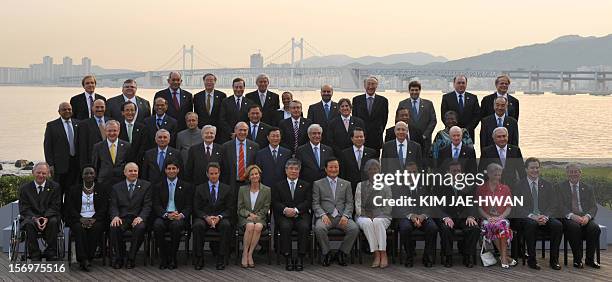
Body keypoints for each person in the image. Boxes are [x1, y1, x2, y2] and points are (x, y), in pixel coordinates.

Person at [511, 157, 562, 270]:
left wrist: (546, 216)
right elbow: (516, 205)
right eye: (532, 168)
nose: (535, 170)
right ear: (526, 169)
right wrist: (532, 216)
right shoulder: (518, 185)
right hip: (526, 217)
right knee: (531, 224)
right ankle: (532, 260)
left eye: (537, 168)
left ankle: (554, 260)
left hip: (544, 216)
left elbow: (553, 204)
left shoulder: (547, 185)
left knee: (557, 225)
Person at [432, 161, 479, 268]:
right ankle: (448, 256)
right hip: (448, 217)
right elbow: (435, 206)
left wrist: (471, 216)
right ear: (448, 172)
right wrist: (445, 217)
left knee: (474, 228)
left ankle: (468, 256)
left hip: (464, 218)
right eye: (454, 171)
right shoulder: (440, 186)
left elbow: (473, 203)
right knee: (445, 228)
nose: (456, 173)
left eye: (458, 171)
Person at [312, 158, 358, 267]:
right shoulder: (318, 184)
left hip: (342, 217)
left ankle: (342, 253)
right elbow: (315, 203)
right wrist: (322, 215)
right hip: (326, 216)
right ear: (326, 169)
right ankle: (326, 253)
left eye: (336, 167)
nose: (333, 169)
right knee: (319, 228)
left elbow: (349, 203)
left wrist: (346, 216)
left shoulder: (346, 184)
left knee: (354, 228)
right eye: (331, 167)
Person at [109, 162, 152, 269]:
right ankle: (120, 257)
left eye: (135, 171)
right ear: (125, 173)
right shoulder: (116, 187)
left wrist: (141, 217)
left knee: (140, 227)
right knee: (114, 227)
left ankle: (131, 258)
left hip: (137, 217)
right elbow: (113, 205)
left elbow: (147, 205)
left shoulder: (146, 186)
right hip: (122, 217)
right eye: (130, 171)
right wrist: (115, 216)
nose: (133, 173)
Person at [152, 160, 194, 270]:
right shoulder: (158, 186)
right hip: (164, 216)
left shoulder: (186, 186)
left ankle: (173, 257)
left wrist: (181, 215)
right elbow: (156, 205)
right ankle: (163, 257)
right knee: (157, 225)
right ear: (165, 170)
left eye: (174, 168)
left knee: (176, 226)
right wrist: (166, 215)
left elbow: (189, 205)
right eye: (169, 168)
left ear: (178, 170)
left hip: (178, 216)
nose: (171, 171)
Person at [272, 158, 312, 271]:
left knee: (304, 227)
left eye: (296, 169)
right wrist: (285, 210)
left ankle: (300, 257)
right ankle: (288, 257)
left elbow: (308, 202)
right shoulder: (278, 185)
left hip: (301, 215)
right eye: (291, 169)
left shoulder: (306, 185)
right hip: (284, 215)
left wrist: (296, 210)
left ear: (299, 171)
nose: (293, 171)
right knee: (285, 227)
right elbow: (275, 202)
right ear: (286, 170)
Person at [558, 163, 601, 269]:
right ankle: (577, 260)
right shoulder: (559, 187)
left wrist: (587, 217)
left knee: (594, 228)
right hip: (569, 217)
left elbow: (593, 207)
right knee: (574, 227)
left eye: (576, 171)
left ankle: (589, 259)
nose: (573, 174)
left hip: (584, 217)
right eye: (570, 172)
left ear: (580, 173)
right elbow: (559, 206)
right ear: (567, 174)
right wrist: (572, 216)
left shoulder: (588, 188)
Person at [65, 166, 108, 271]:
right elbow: (69, 207)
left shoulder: (102, 189)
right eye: (86, 173)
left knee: (96, 228)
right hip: (78, 218)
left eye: (91, 173)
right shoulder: (74, 189)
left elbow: (104, 207)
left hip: (96, 219)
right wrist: (80, 218)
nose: (89, 175)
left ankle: (88, 257)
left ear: (95, 175)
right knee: (79, 229)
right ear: (82, 175)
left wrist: (95, 218)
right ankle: (83, 259)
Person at [192, 162, 233, 270]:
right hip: (204, 218)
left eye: (216, 173)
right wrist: (206, 217)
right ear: (207, 174)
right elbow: (196, 208)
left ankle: (221, 258)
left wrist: (219, 217)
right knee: (197, 226)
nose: (213, 176)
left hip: (220, 218)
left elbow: (230, 209)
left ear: (219, 173)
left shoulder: (227, 189)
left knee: (226, 225)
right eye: (211, 173)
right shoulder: (199, 188)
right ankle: (199, 258)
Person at [396, 162, 438, 267]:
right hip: (407, 216)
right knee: (405, 228)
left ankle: (427, 257)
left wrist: (423, 216)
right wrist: (411, 216)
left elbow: (431, 203)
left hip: (423, 215)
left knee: (432, 227)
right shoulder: (399, 186)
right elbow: (398, 206)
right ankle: (409, 256)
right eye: (409, 172)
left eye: (414, 172)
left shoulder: (426, 185)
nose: (411, 174)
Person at [18, 162, 62, 261]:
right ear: (33, 172)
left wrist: (45, 218)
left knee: (54, 221)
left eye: (44, 173)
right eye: (38, 172)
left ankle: (51, 252)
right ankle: (34, 253)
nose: (41, 175)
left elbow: (56, 206)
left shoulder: (55, 187)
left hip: (49, 217)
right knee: (28, 224)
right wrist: (35, 218)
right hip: (31, 217)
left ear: (48, 174)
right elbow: (24, 208)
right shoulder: (25, 189)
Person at [476, 163, 516, 269]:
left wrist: (501, 217)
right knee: (492, 225)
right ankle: (505, 257)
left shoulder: (505, 188)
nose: (497, 177)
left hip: (501, 218)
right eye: (495, 175)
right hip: (486, 218)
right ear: (489, 174)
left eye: (499, 175)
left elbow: (508, 207)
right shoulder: (481, 189)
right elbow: (479, 208)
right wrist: (488, 217)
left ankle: (503, 257)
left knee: (501, 225)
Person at [355, 159, 392, 268]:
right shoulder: (360, 185)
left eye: (375, 169)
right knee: (367, 223)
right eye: (370, 169)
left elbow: (388, 206)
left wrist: (377, 214)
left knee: (377, 221)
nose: (373, 171)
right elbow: (358, 204)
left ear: (379, 170)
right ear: (367, 171)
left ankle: (383, 253)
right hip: (363, 215)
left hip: (382, 215)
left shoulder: (386, 186)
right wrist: (365, 214)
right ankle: (376, 253)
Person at [237, 165, 271, 268]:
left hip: (260, 218)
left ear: (259, 175)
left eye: (256, 174)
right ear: (249, 177)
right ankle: (244, 254)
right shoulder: (242, 189)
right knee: (250, 226)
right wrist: (249, 215)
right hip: (245, 219)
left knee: (258, 226)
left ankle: (249, 254)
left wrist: (257, 216)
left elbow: (266, 207)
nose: (255, 176)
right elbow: (240, 208)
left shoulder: (267, 190)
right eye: (252, 174)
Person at [44, 102, 79, 195]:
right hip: (59, 166)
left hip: (76, 165)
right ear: (59, 112)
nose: (67, 111)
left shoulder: (78, 124)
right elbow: (47, 147)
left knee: (72, 192)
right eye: (64, 109)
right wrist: (50, 164)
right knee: (58, 192)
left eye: (69, 109)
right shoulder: (52, 126)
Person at [397, 81, 437, 159]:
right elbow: (398, 121)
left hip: (425, 140)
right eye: (412, 90)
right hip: (408, 139)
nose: (414, 92)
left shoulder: (428, 104)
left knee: (424, 163)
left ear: (419, 91)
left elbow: (433, 121)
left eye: (416, 90)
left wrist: (425, 135)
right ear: (409, 91)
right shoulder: (402, 104)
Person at [352, 76, 388, 157]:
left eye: (373, 84)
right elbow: (354, 119)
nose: (370, 87)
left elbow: (384, 120)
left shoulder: (383, 101)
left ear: (377, 86)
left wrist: (379, 131)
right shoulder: (356, 100)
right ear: (364, 85)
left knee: (374, 165)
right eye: (368, 84)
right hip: (360, 139)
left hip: (376, 139)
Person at [220, 122, 259, 194]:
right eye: (240, 130)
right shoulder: (226, 146)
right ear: (235, 130)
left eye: (245, 130)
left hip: (248, 184)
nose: (242, 132)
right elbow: (222, 166)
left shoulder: (255, 146)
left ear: (248, 131)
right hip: (231, 184)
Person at [440, 75, 481, 140]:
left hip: (468, 134)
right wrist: (454, 130)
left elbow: (477, 116)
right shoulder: (446, 98)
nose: (461, 85)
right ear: (454, 84)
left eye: (463, 83)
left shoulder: (473, 98)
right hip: (451, 135)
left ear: (466, 84)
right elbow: (443, 116)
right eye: (458, 83)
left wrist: (466, 130)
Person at [91, 120, 131, 186]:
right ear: (105, 131)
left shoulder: (127, 146)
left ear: (119, 131)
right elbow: (95, 166)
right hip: (103, 182)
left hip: (121, 182)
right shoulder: (98, 146)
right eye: (109, 131)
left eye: (114, 131)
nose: (112, 133)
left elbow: (129, 163)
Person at [339, 127, 376, 194]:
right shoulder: (344, 154)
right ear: (352, 139)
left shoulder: (371, 153)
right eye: (356, 137)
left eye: (361, 137)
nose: (359, 139)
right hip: (350, 189)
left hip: (368, 188)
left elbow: (375, 172)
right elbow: (343, 173)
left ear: (364, 138)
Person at [218, 77, 255, 142]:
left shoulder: (250, 102)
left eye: (240, 87)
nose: (238, 89)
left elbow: (250, 119)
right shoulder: (225, 101)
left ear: (244, 88)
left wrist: (242, 132)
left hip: (245, 135)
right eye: (236, 87)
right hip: (229, 136)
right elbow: (222, 119)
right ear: (233, 87)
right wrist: (232, 133)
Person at [77, 99, 110, 169]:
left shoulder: (112, 121)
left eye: (102, 107)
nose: (99, 109)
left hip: (110, 162)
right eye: (97, 107)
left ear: (105, 108)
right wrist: (84, 167)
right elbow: (83, 147)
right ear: (92, 108)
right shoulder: (84, 124)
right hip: (93, 162)